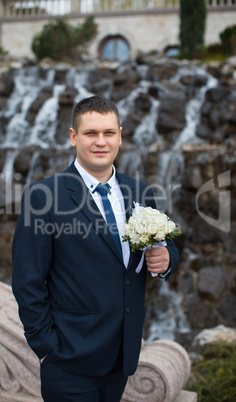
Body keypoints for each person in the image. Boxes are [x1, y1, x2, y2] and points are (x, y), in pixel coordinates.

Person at [12, 95, 179, 402]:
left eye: (109, 133)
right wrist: (47, 348)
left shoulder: (140, 191)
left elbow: (163, 244)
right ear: (74, 137)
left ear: (120, 135)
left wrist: (167, 258)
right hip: (69, 360)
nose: (101, 142)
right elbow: (27, 280)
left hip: (122, 355)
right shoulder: (43, 196)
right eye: (91, 133)